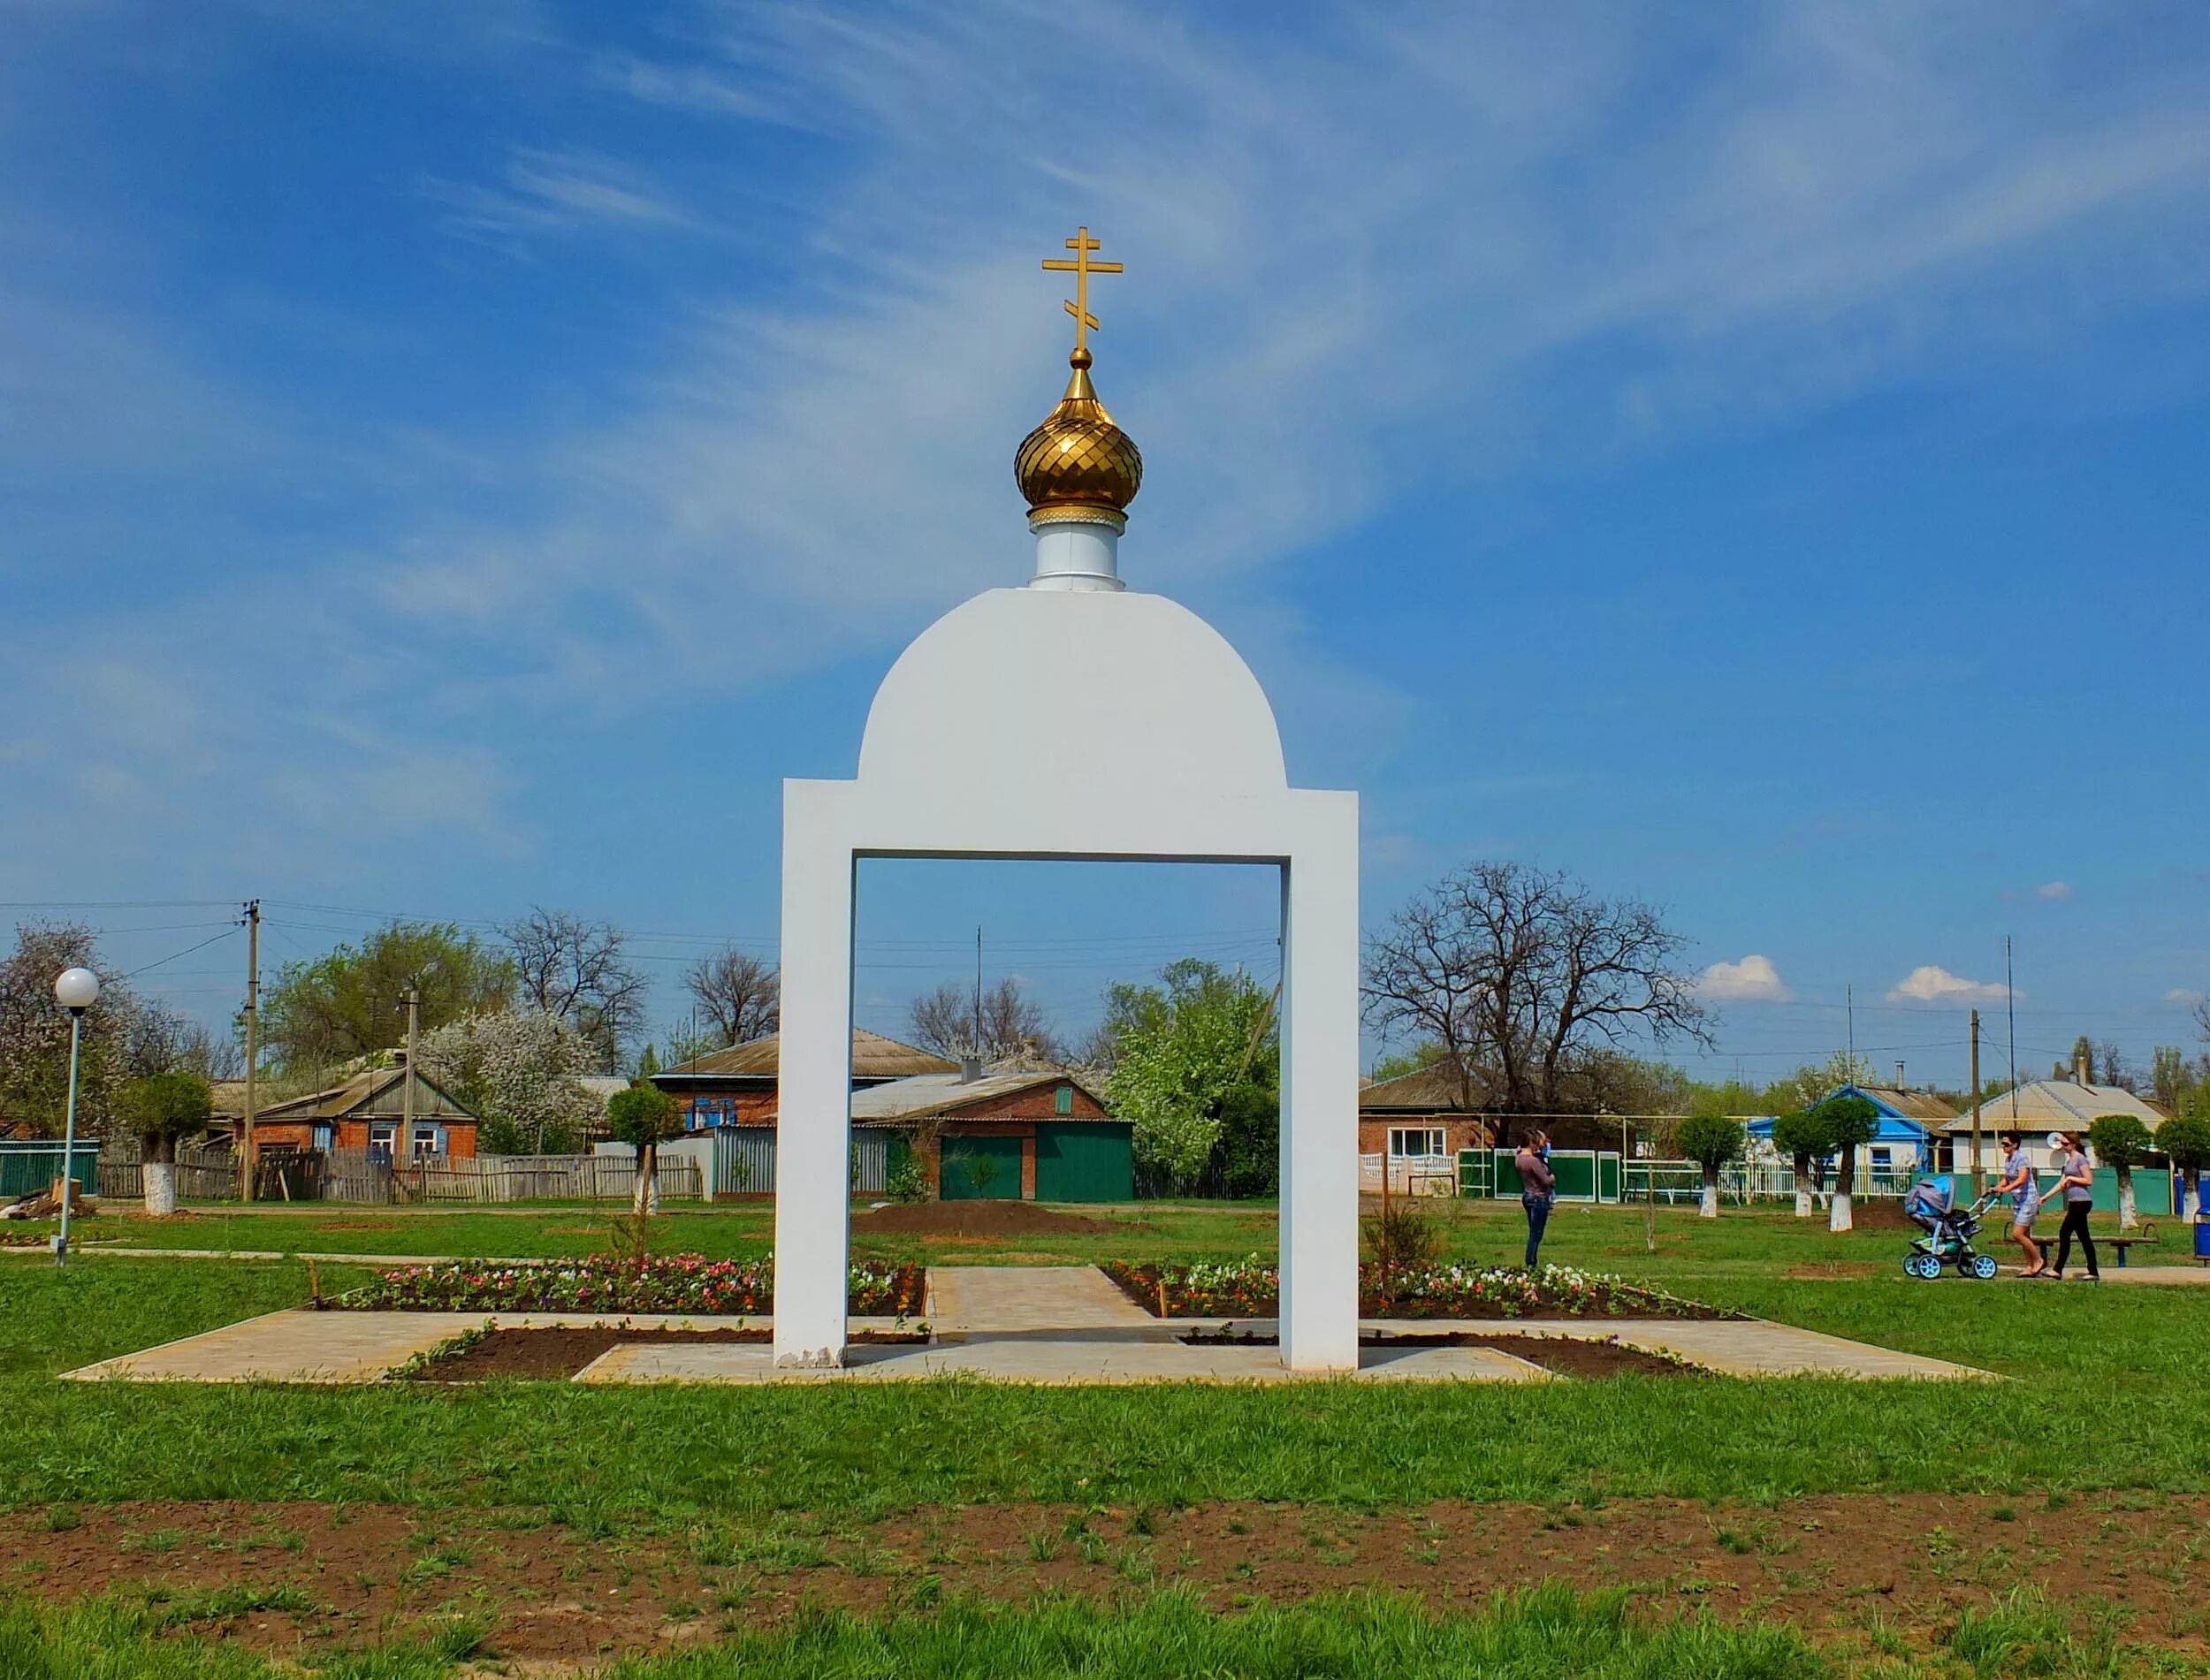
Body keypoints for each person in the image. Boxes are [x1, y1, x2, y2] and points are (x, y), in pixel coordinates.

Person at [2048, 1131, 2100, 1281]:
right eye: (2061, 1143)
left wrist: (2072, 1177)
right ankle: (2093, 1271)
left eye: (2065, 1144)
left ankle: (2057, 1269)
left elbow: (2089, 1180)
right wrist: (2045, 1198)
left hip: (2082, 1202)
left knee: (2064, 1233)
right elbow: (2061, 1183)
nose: (2062, 1147)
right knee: (2084, 1238)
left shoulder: (2080, 1159)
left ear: (2074, 1144)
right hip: (2074, 1203)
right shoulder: (2069, 1161)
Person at [1993, 1129, 2046, 1277]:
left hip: (2028, 1199)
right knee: (2025, 1235)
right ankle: (2029, 1266)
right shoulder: (2008, 1159)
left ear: (2015, 1145)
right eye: (2002, 1144)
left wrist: (2007, 1189)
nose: (2003, 1146)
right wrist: (1998, 1187)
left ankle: (2038, 1260)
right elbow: (2008, 1178)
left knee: (2017, 1234)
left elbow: (2022, 1178)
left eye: (2006, 1144)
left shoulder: (2021, 1158)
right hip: (2018, 1200)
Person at [1516, 1129, 1556, 1271]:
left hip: (1528, 1196)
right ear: (1532, 1143)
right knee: (1536, 1233)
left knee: (1534, 1230)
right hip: (1539, 1198)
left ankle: (1531, 1260)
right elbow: (1545, 1180)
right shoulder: (1533, 1161)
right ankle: (1531, 1262)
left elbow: (1526, 1150)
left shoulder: (1520, 1158)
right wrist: (1552, 1178)